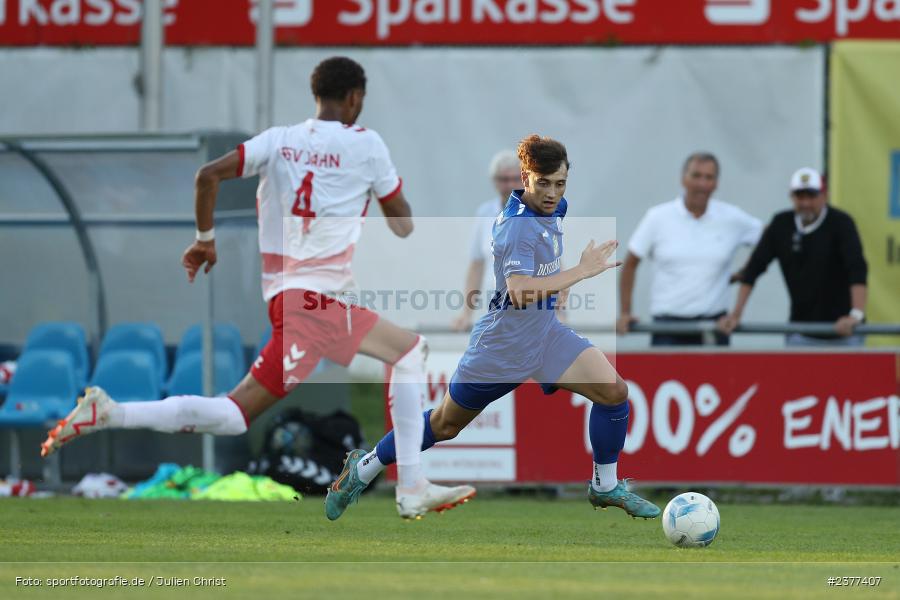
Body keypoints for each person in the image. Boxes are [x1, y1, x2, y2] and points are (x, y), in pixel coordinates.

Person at [40, 56, 474, 520]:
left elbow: (207, 175)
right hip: (318, 301)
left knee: (233, 415)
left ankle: (110, 412)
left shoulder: (277, 140)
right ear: (355, 97)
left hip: (288, 299)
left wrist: (205, 240)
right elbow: (403, 223)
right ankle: (410, 486)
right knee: (409, 353)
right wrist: (377, 195)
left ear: (316, 94)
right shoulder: (367, 144)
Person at [325, 134, 661, 521]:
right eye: (544, 183)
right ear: (525, 177)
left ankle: (605, 486)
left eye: (560, 183)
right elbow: (518, 292)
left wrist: (560, 284)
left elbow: (545, 259)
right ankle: (363, 468)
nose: (553, 193)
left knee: (614, 392)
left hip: (545, 336)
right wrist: (579, 272)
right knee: (445, 425)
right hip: (501, 348)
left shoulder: (555, 208)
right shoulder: (515, 226)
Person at [616, 153, 762, 345]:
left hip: (714, 327)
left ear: (716, 183)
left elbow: (770, 239)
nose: (702, 184)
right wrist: (625, 312)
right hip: (667, 328)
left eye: (708, 177)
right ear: (683, 179)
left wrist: (746, 273)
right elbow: (630, 264)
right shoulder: (657, 217)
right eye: (696, 176)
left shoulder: (732, 218)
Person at [718, 167, 868, 346]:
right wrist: (736, 314)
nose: (805, 203)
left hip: (844, 333)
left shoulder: (841, 223)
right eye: (800, 196)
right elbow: (754, 268)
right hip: (800, 332)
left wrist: (855, 315)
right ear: (791, 197)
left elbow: (857, 269)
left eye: (811, 196)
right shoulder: (781, 223)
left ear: (824, 195)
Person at [451, 150, 521, 331]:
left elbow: (553, 265)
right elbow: (476, 266)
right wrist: (466, 314)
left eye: (515, 179)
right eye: (504, 180)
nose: (510, 185)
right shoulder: (484, 214)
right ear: (495, 181)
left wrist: (559, 312)